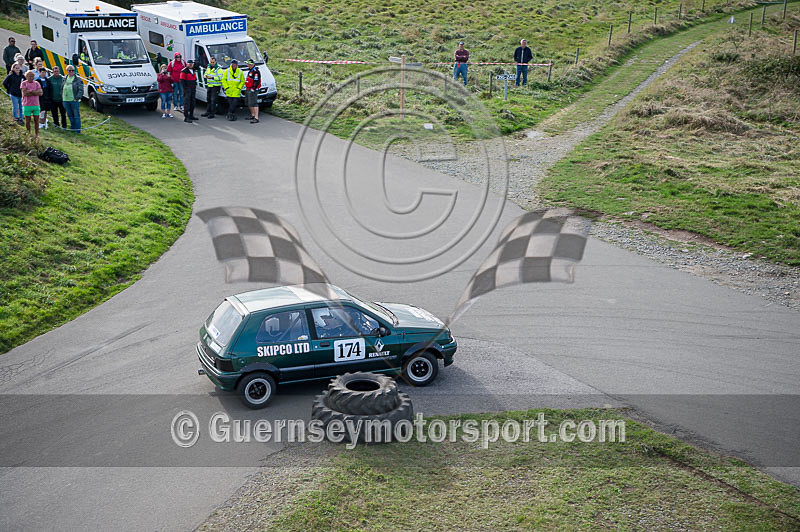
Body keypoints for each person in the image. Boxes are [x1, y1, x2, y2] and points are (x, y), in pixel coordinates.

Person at [20, 70, 43, 137]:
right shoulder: (24, 83)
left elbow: (41, 93)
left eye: (32, 76)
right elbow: (25, 93)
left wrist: (30, 91)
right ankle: (28, 133)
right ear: (26, 76)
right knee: (28, 120)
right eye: (29, 76)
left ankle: (36, 134)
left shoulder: (37, 83)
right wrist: (35, 92)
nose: (31, 77)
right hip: (27, 104)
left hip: (36, 104)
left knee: (36, 120)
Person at [62, 65, 83, 133]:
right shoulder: (64, 78)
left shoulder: (78, 79)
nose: (71, 72)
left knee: (76, 115)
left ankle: (77, 130)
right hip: (65, 100)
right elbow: (61, 88)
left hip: (74, 100)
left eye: (72, 70)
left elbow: (81, 90)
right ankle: (72, 127)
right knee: (70, 114)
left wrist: (77, 98)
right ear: (67, 71)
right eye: (69, 70)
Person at [180, 58, 198, 122]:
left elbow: (194, 78)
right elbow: (182, 81)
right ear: (187, 64)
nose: (190, 65)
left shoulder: (193, 70)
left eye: (191, 64)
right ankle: (186, 117)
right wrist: (185, 89)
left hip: (193, 88)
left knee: (193, 102)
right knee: (187, 103)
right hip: (187, 88)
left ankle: (191, 115)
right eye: (189, 64)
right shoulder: (184, 71)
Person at [244, 58, 260, 124]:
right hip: (248, 88)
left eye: (248, 64)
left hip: (253, 89)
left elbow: (256, 81)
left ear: (252, 64)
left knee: (254, 103)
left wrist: (253, 89)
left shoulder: (256, 71)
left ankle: (256, 118)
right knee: (249, 102)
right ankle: (253, 115)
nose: (247, 65)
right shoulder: (250, 70)